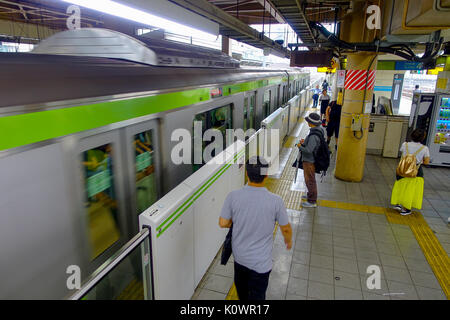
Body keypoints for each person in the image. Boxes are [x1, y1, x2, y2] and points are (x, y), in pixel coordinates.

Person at [219, 156, 292, 300]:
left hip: (240, 258)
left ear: (246, 174)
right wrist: (288, 241)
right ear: (266, 175)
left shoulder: (233, 196)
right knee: (258, 296)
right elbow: (286, 228)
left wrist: (235, 220)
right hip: (261, 263)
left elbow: (223, 223)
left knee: (243, 294)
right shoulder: (276, 201)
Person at [391, 129, 430, 216]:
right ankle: (406, 209)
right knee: (410, 190)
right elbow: (426, 162)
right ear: (422, 138)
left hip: (402, 169)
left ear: (412, 135)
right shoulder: (424, 148)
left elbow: (403, 154)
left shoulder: (405, 145)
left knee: (401, 186)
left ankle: (398, 204)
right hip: (415, 172)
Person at [297, 113, 324, 208]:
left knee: (310, 181)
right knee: (310, 180)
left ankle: (312, 201)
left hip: (309, 161)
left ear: (311, 123)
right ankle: (310, 195)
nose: (307, 122)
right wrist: (305, 142)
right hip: (311, 160)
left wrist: (300, 146)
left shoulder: (313, 135)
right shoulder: (319, 130)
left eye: (308, 121)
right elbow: (313, 145)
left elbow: (309, 150)